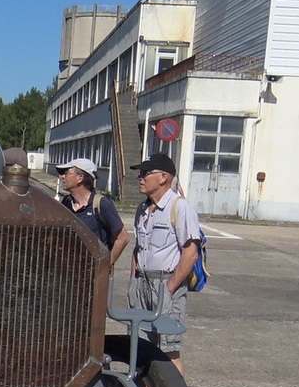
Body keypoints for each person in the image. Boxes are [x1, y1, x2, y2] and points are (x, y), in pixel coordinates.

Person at [127, 153, 200, 375]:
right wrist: (133, 282)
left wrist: (168, 288)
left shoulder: (179, 207)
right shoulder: (143, 208)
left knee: (168, 349)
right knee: (143, 346)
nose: (140, 178)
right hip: (143, 282)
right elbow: (138, 247)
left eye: (145, 173)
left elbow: (190, 253)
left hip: (166, 282)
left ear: (163, 178)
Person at [56, 158, 129, 268]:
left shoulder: (101, 204)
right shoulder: (66, 202)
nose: (62, 177)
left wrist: (104, 267)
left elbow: (123, 238)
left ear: (80, 178)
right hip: (67, 272)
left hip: (91, 275)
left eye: (66, 173)